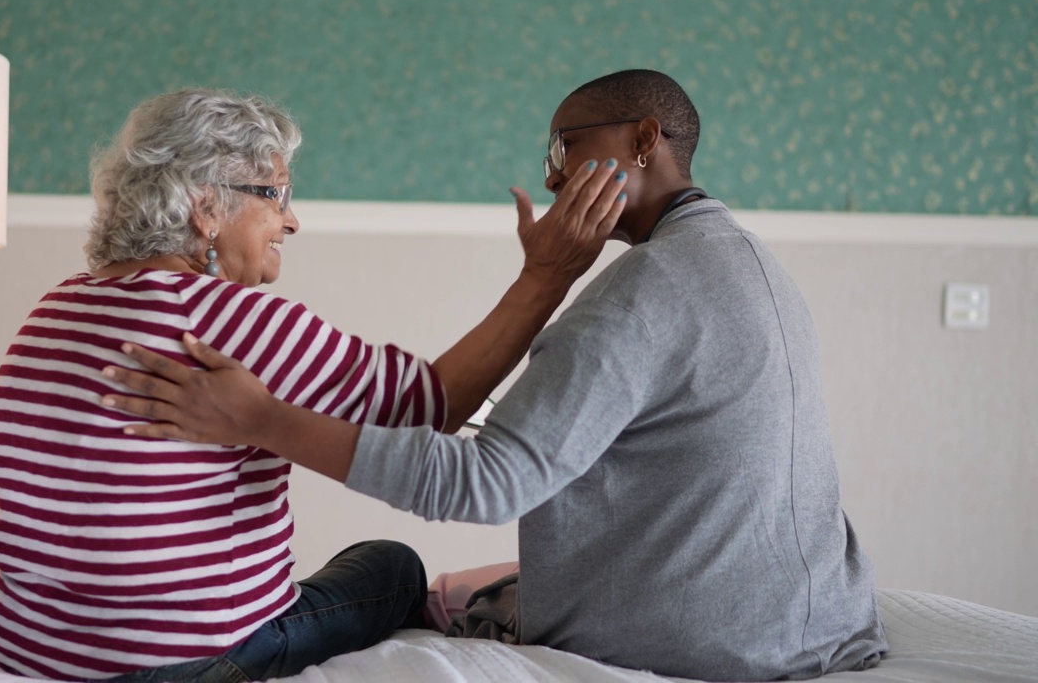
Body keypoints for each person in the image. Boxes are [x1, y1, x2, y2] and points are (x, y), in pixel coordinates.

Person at [99, 70, 890, 681]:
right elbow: (443, 416)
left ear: (644, 139)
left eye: (564, 149)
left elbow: (481, 477)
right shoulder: (745, 261)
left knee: (415, 576)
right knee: (434, 577)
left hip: (713, 641)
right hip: (806, 618)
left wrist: (264, 420)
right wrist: (543, 282)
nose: (550, 178)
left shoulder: (649, 288)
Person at [0, 87, 629, 681]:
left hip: (26, 647)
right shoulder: (231, 320)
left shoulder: (55, 308)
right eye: (276, 195)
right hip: (181, 661)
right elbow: (429, 410)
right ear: (206, 207)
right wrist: (546, 276)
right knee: (391, 565)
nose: (292, 222)